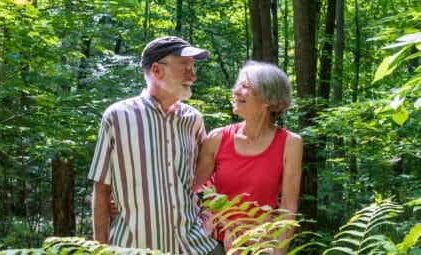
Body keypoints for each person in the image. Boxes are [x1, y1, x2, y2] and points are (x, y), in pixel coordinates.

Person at [88, 36, 224, 255]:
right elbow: (102, 190)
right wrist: (99, 250)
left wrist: (209, 218)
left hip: (195, 246)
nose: (193, 75)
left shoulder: (193, 119)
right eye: (185, 67)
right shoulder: (117, 117)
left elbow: (208, 180)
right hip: (134, 247)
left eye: (193, 67)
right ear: (158, 70)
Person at [193, 61, 303, 255]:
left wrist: (279, 251)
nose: (236, 91)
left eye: (245, 87)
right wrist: (223, 216)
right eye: (238, 86)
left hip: (262, 245)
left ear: (267, 98)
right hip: (215, 243)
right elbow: (193, 187)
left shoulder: (290, 143)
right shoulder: (218, 138)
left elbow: (288, 206)